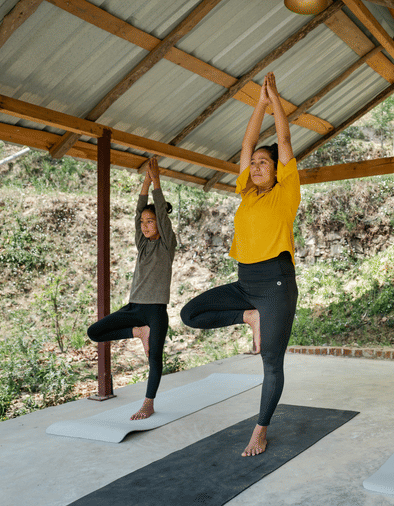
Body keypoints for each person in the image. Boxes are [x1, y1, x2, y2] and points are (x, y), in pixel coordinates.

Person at [181, 72, 299, 457]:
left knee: (271, 363)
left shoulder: (286, 194)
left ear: (277, 170)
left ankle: (260, 430)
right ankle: (249, 317)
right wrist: (258, 104)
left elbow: (282, 140)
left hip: (277, 283)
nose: (258, 165)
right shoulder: (246, 194)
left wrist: (275, 101)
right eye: (255, 163)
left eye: (265, 163)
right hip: (246, 284)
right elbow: (247, 143)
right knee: (191, 313)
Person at [87, 158, 177, 421]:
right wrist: (145, 182)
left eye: (151, 222)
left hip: (156, 311)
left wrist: (156, 182)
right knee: (95, 332)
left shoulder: (166, 245)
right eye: (143, 223)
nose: (145, 225)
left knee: (155, 360)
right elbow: (139, 210)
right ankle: (138, 332)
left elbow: (159, 211)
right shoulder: (142, 244)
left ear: (160, 223)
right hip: (134, 309)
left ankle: (148, 403)